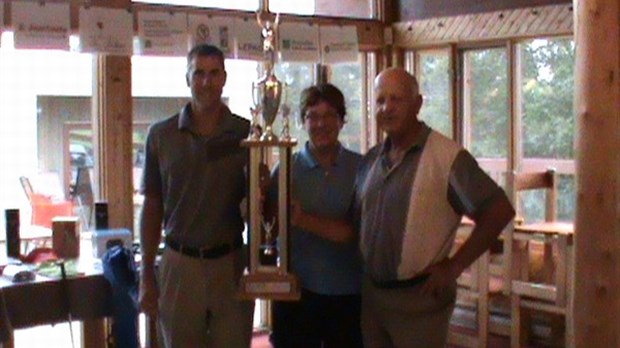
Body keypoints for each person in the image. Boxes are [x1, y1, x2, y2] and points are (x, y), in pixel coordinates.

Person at [354, 67, 515, 347]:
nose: (387, 108)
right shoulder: (371, 160)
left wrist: (454, 267)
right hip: (373, 301)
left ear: (417, 104)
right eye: (380, 100)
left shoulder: (447, 158)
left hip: (420, 303)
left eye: (396, 99)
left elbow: (499, 210)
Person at [138, 44, 254, 348]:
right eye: (199, 73)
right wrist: (146, 274)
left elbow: (260, 203)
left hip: (230, 264)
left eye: (214, 73)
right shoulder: (161, 136)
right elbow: (152, 206)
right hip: (179, 264)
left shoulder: (247, 134)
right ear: (187, 78)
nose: (206, 81)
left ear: (224, 78)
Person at [268, 84, 364, 348]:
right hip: (296, 294)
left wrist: (303, 220)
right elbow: (269, 230)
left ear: (342, 120)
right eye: (313, 116)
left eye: (330, 115)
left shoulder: (362, 168)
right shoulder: (285, 169)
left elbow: (354, 232)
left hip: (348, 294)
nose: (321, 123)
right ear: (302, 121)